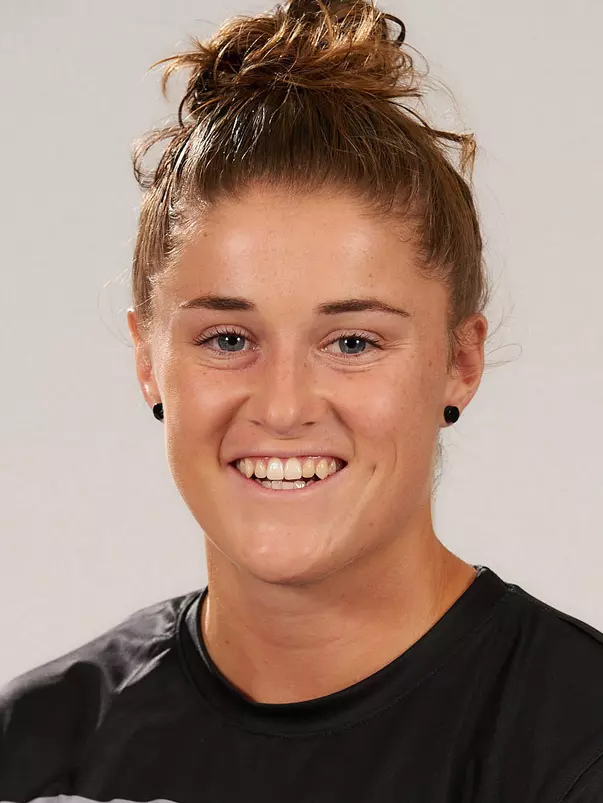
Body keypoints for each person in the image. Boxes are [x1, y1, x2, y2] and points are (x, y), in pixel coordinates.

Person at [2, 0, 602, 800]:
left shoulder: (576, 742)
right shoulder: (35, 748)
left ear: (460, 361)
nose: (283, 408)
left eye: (351, 342)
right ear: (148, 359)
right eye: (227, 339)